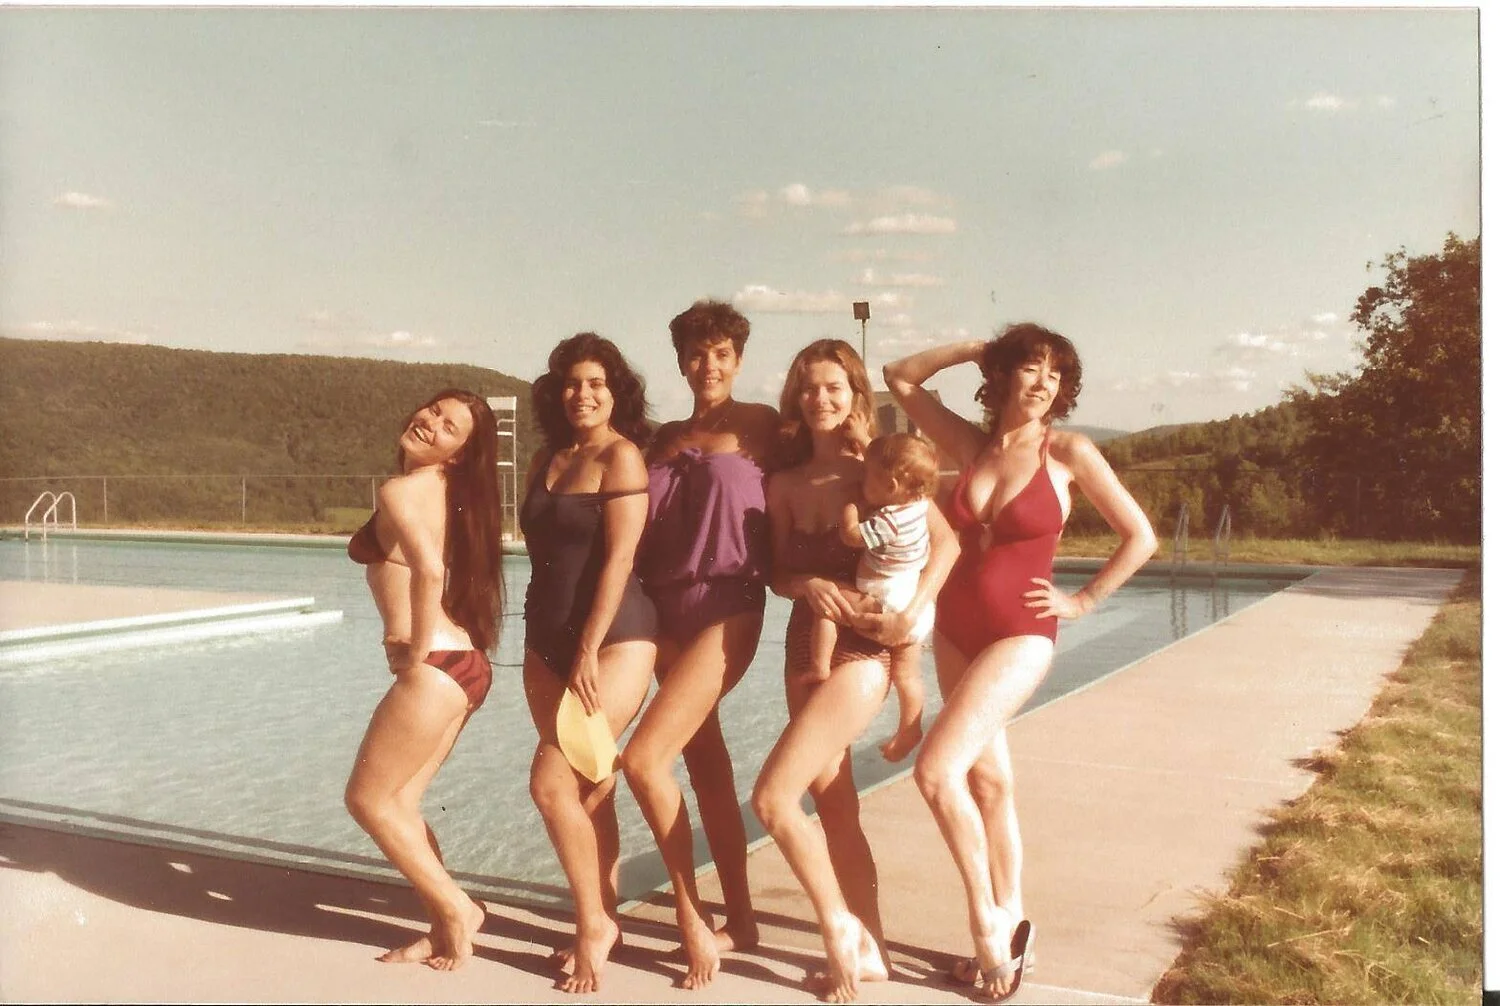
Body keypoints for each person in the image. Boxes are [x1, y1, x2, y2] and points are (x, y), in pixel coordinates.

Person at [883, 324, 1157, 1002]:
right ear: (1004, 376)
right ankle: (1014, 916)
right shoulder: (970, 446)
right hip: (955, 628)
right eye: (1030, 369)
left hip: (1022, 631)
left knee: (936, 771)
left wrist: (1086, 599)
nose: (1043, 384)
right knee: (988, 784)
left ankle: (987, 932)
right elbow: (900, 378)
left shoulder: (1069, 451)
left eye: (1055, 375)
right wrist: (975, 347)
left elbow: (1140, 535)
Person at [751, 339, 959, 1004]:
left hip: (865, 650)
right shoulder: (782, 484)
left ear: (855, 394)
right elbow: (779, 573)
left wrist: (914, 614)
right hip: (803, 643)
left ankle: (838, 933)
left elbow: (946, 544)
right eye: (809, 387)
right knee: (834, 807)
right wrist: (806, 582)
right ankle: (875, 949)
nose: (821, 399)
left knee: (774, 799)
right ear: (796, 396)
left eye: (834, 387)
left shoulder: (883, 468)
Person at [618, 300, 780, 988]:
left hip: (729, 604)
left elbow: (837, 472)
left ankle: (692, 920)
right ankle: (740, 919)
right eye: (694, 353)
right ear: (680, 359)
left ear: (738, 359)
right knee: (707, 765)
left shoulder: (765, 427)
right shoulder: (662, 437)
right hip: (663, 610)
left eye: (720, 353)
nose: (707, 365)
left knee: (643, 759)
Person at [344, 388, 503, 971]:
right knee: (403, 803)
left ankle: (459, 909)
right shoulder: (446, 492)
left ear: (460, 453)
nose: (430, 422)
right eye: (433, 411)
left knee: (367, 800)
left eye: (449, 425)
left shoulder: (402, 490)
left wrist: (412, 656)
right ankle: (442, 929)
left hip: (433, 665)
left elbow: (430, 569)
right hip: (465, 665)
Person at [521, 332, 659, 995]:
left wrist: (586, 647)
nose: (584, 394)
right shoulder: (547, 457)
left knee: (551, 784)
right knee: (587, 783)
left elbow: (620, 559)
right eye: (573, 383)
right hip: (544, 643)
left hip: (614, 639)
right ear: (558, 391)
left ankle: (591, 926)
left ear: (616, 391)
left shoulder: (622, 456)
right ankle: (604, 912)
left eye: (597, 383)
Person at [823, 432, 939, 763]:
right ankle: (910, 726)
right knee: (907, 674)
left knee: (826, 602)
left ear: (890, 486)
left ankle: (818, 665)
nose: (862, 483)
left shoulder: (888, 520)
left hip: (886, 596)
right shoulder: (918, 505)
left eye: (867, 478)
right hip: (913, 597)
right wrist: (865, 441)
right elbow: (894, 469)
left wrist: (850, 509)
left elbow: (851, 537)